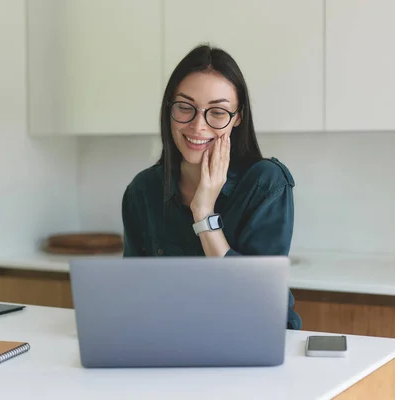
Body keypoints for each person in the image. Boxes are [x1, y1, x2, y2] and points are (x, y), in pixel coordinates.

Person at [121, 44, 302, 330]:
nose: (198, 126)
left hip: (253, 340)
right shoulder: (143, 190)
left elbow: (258, 301)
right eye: (185, 107)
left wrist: (204, 213)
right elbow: (133, 295)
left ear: (238, 117)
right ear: (169, 109)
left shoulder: (266, 183)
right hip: (172, 340)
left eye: (217, 112)